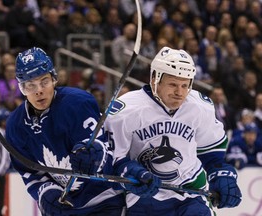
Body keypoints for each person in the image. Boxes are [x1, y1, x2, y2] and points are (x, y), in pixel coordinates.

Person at [103, 47, 242, 215]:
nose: (179, 93)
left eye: (185, 85)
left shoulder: (199, 106)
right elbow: (113, 158)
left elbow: (211, 149)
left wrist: (219, 173)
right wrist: (132, 172)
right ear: (155, 79)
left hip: (191, 190)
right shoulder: (126, 110)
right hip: (145, 195)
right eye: (173, 85)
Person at [5, 47, 125, 216]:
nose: (38, 90)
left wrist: (96, 154)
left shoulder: (78, 103)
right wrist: (46, 193)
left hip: (104, 199)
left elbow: (105, 144)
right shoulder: (15, 126)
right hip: (65, 206)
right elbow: (30, 172)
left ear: (54, 79)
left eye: (44, 81)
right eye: (30, 85)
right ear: (22, 88)